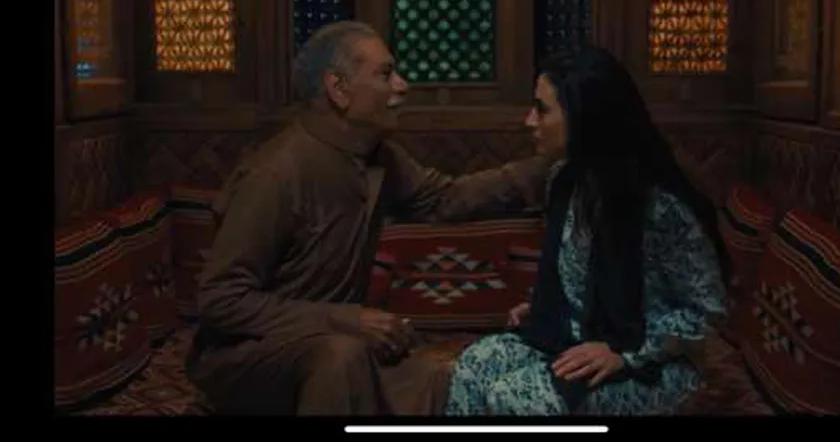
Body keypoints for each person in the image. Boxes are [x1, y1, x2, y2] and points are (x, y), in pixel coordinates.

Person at [183, 21, 558, 415]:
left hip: (335, 343)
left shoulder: (377, 154)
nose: (402, 86)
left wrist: (549, 165)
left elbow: (446, 199)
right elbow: (221, 300)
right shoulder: (274, 175)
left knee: (438, 381)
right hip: (245, 357)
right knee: (340, 357)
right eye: (385, 74)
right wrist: (343, 319)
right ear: (338, 89)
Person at [443, 47, 731, 416]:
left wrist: (625, 354)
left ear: (584, 117)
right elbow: (582, 278)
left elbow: (706, 312)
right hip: (574, 340)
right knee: (473, 367)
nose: (528, 120)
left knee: (514, 396)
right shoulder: (565, 181)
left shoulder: (658, 205)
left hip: (652, 362)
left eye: (541, 109)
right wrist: (547, 307)